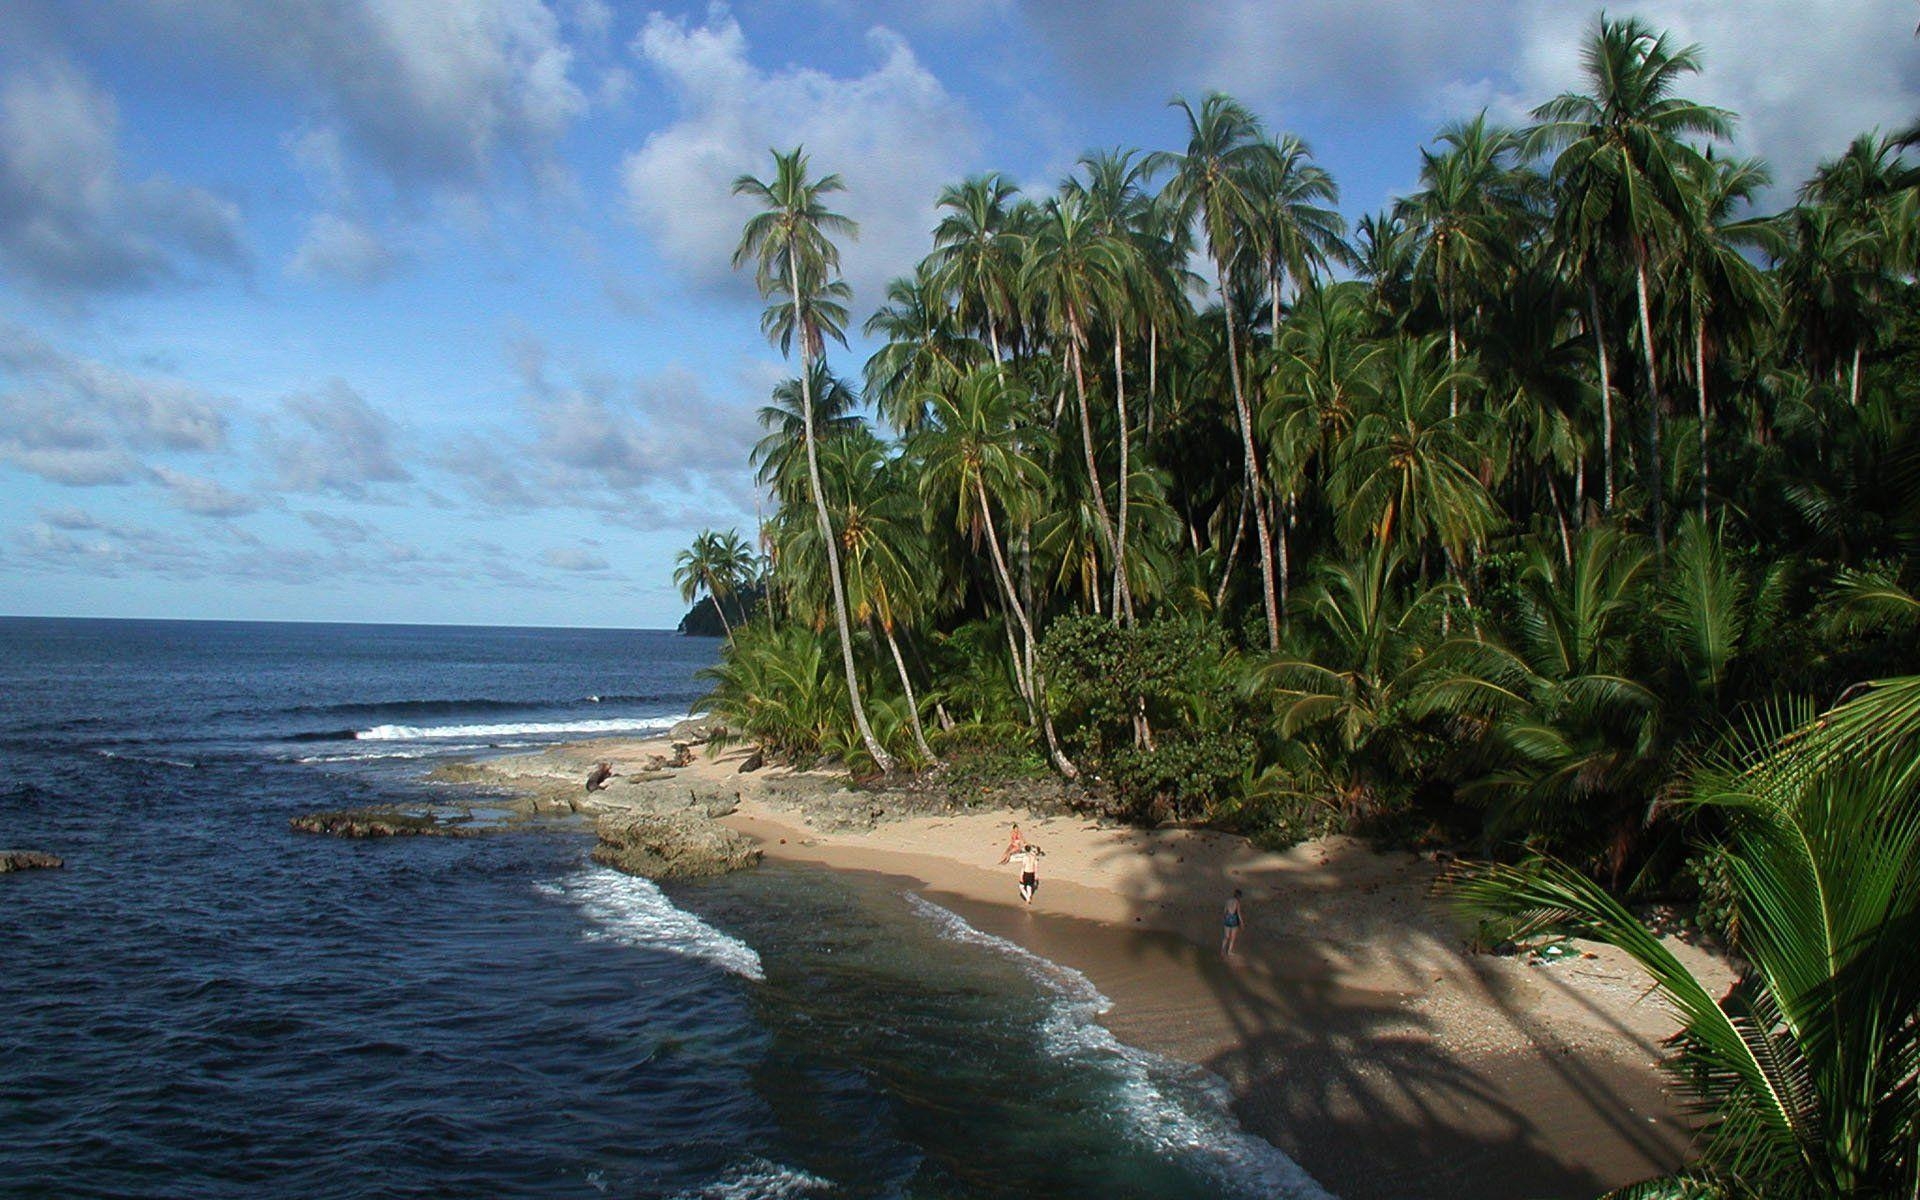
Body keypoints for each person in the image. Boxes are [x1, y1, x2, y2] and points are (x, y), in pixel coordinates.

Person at [1221, 888, 1244, 957]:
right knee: (1232, 937)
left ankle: (1222, 950)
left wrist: (1224, 919)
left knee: (1226, 936)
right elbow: (1238, 913)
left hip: (1227, 918)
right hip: (1233, 919)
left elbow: (1225, 911)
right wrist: (1242, 922)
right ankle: (1229, 951)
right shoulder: (1237, 902)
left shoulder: (1228, 901)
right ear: (1239, 896)